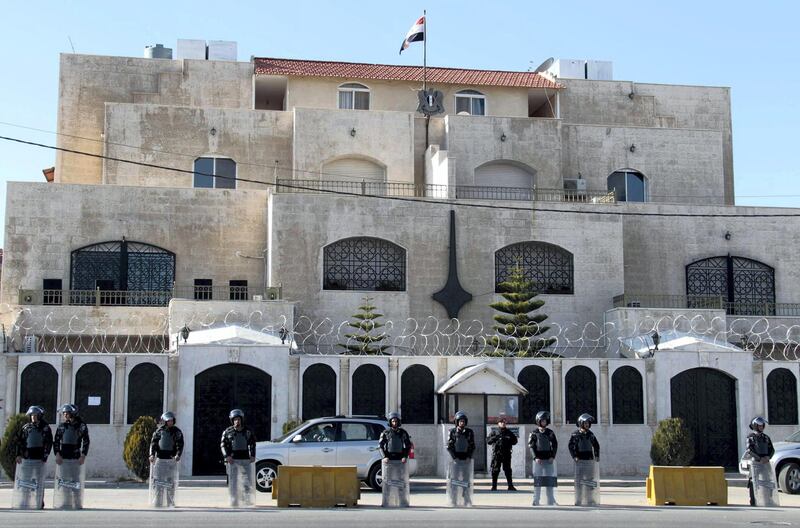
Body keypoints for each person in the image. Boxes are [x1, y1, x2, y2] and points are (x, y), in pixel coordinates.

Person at [13, 406, 52, 509]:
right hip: (27, 458)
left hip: (39, 458)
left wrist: (45, 456)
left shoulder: (45, 427)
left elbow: (48, 443)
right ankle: (24, 500)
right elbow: (20, 442)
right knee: (26, 481)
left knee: (38, 481)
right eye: (31, 415)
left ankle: (39, 501)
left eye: (35, 415)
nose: (33, 417)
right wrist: (18, 454)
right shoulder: (26, 427)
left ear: (39, 416)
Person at [53, 404, 90, 509]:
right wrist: (57, 454)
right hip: (63, 457)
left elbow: (86, 441)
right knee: (64, 481)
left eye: (67, 413)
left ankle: (77, 502)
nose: (65, 415)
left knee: (75, 480)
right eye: (64, 413)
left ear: (73, 413)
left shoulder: (81, 426)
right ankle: (65, 502)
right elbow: (56, 441)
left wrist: (83, 455)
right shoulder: (62, 426)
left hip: (75, 457)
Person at [220, 409, 257, 507]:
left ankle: (247, 500)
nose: (237, 421)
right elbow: (223, 445)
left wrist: (253, 455)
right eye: (235, 419)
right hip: (233, 460)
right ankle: (234, 500)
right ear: (232, 420)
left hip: (245, 459)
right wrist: (227, 456)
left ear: (242, 420)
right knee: (233, 482)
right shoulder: (228, 432)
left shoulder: (248, 431)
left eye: (239, 419)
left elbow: (252, 443)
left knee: (247, 481)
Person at [149, 411, 184, 507]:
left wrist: (178, 455)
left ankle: (170, 502)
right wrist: (152, 455)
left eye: (172, 420)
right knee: (159, 482)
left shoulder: (177, 432)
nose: (170, 422)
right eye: (168, 421)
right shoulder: (159, 432)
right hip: (160, 460)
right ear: (164, 421)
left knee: (170, 483)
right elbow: (154, 444)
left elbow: (180, 445)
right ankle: (158, 502)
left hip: (171, 460)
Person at [379, 412, 412, 507]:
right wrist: (384, 457)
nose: (394, 423)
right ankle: (387, 501)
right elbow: (380, 446)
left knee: (401, 482)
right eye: (393, 421)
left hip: (400, 460)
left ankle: (402, 501)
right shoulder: (386, 433)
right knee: (387, 482)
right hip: (389, 460)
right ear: (390, 422)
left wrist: (405, 456)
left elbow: (408, 445)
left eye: (396, 421)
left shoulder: (403, 433)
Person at [569, 413, 601, 506]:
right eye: (585, 423)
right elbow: (571, 446)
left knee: (589, 481)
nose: (587, 425)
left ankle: (590, 500)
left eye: (588, 423)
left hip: (589, 460)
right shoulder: (575, 434)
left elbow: (596, 445)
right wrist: (574, 456)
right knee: (579, 482)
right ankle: (578, 500)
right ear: (581, 423)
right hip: (579, 461)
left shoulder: (591, 434)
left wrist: (596, 455)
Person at [446, 411, 476, 506]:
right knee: (454, 480)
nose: (462, 423)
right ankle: (453, 499)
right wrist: (454, 458)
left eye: (463, 421)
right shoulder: (452, 432)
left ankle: (467, 498)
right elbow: (449, 446)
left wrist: (468, 457)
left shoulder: (469, 432)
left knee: (466, 481)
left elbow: (472, 446)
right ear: (457, 422)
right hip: (456, 460)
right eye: (460, 421)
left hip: (466, 460)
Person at [529, 410, 558, 506]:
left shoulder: (550, 433)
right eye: (542, 421)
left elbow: (555, 445)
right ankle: (536, 500)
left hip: (549, 460)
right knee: (538, 481)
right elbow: (531, 446)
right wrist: (535, 457)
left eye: (545, 421)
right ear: (538, 421)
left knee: (549, 481)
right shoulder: (534, 433)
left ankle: (551, 500)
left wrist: (552, 456)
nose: (544, 422)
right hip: (538, 461)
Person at [745, 416, 776, 506]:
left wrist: (768, 457)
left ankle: (768, 500)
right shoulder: (751, 437)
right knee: (753, 482)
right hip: (755, 462)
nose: (761, 427)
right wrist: (759, 458)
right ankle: (753, 501)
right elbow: (749, 450)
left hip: (765, 463)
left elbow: (772, 450)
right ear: (755, 426)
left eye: (762, 425)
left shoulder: (766, 437)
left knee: (768, 482)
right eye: (759, 426)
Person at [487, 416, 518, 491]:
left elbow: (515, 441)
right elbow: (488, 441)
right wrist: (495, 438)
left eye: (504, 422)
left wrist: (509, 439)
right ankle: (494, 486)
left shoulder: (509, 432)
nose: (503, 424)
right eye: (501, 422)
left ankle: (510, 486)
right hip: (497, 454)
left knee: (507, 470)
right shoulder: (494, 432)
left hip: (506, 454)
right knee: (495, 470)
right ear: (498, 423)